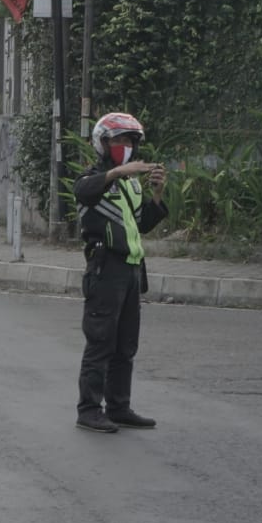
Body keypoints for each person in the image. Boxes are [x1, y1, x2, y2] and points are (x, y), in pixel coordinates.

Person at [74, 112, 167, 433]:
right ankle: (88, 409)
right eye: (118, 141)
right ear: (103, 144)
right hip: (104, 269)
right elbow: (82, 192)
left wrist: (156, 193)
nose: (125, 147)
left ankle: (118, 406)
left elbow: (141, 224)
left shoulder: (131, 185)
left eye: (129, 142)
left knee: (125, 345)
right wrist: (116, 172)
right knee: (100, 342)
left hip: (130, 271)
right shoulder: (94, 181)